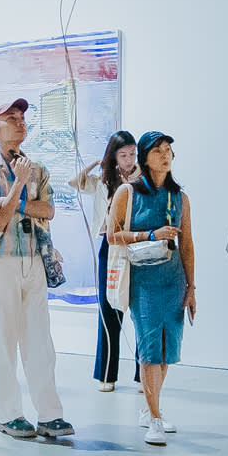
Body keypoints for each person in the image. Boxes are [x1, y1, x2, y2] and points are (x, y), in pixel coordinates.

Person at [0, 99, 68, 441]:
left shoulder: (37, 169)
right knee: (2, 340)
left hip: (34, 258)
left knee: (40, 339)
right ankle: (9, 414)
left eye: (22, 117)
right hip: (0, 260)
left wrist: (16, 203)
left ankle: (50, 414)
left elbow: (48, 210)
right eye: (11, 118)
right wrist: (19, 188)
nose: (20, 122)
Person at [107, 131, 196, 442]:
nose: (165, 155)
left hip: (173, 280)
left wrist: (191, 286)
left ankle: (150, 407)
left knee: (166, 348)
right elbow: (112, 235)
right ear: (144, 157)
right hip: (143, 280)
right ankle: (155, 418)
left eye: (168, 149)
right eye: (158, 150)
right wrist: (150, 235)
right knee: (149, 348)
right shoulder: (128, 193)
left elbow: (187, 245)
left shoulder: (180, 197)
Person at [74, 131, 142, 392]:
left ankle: (143, 375)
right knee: (108, 308)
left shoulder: (143, 178)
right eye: (123, 155)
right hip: (110, 246)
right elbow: (76, 183)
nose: (129, 160)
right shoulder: (105, 179)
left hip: (137, 244)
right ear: (113, 156)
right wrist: (95, 165)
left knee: (140, 310)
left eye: (132, 154)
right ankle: (106, 375)